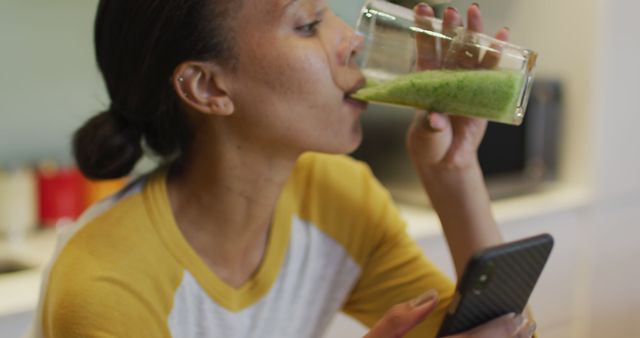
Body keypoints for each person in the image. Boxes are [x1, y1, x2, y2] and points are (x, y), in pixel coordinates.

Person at [29, 1, 536, 337]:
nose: (351, 40)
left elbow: (499, 332)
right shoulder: (106, 286)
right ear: (208, 88)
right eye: (308, 25)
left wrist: (455, 174)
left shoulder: (337, 196)